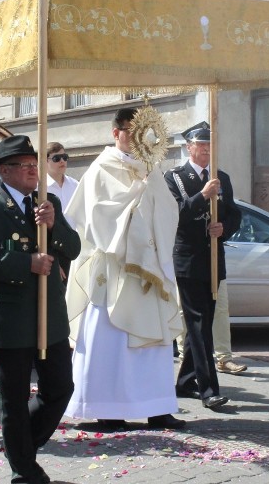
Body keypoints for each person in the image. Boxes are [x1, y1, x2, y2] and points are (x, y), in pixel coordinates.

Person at [0, 135, 81, 484]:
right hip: (11, 315)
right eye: (26, 165)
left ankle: (19, 445)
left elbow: (72, 248)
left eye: (35, 165)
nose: (33, 171)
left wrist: (54, 223)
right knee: (13, 400)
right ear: (5, 170)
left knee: (60, 388)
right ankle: (24, 471)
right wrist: (25, 262)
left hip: (50, 314)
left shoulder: (49, 201)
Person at [65, 108, 184, 430]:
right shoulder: (99, 169)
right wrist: (136, 196)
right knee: (111, 342)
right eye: (129, 131)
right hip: (114, 268)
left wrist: (150, 201)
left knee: (154, 345)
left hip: (149, 268)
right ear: (115, 132)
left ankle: (157, 407)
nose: (134, 138)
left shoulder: (152, 168)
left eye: (141, 131)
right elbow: (95, 217)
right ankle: (108, 410)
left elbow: (169, 211)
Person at [165, 121, 240, 410]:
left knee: (204, 323)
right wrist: (203, 196)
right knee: (197, 324)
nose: (207, 150)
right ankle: (209, 389)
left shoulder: (222, 177)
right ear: (189, 147)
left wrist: (224, 228)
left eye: (210, 145)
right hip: (188, 260)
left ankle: (185, 381)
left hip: (214, 259)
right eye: (201, 145)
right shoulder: (174, 177)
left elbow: (235, 215)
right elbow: (175, 216)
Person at [44, 142, 79, 214]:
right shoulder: (39, 188)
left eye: (64, 157)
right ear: (45, 161)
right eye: (56, 158)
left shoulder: (75, 185)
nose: (62, 161)